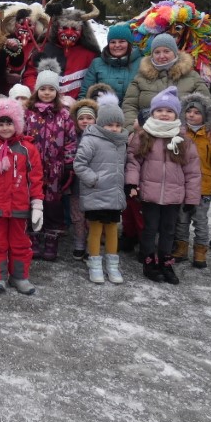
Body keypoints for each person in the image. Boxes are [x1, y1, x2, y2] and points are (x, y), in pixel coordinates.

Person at [125, 86, 201, 284]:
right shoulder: (143, 135)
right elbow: (133, 161)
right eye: (160, 110)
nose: (164, 114)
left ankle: (166, 260)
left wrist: (192, 198)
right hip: (149, 193)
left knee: (169, 229)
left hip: (174, 195)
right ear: (152, 112)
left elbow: (192, 171)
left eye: (169, 111)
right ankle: (149, 260)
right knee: (150, 228)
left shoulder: (183, 139)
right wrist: (131, 183)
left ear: (176, 114)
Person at [0, 96, 44, 294]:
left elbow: (35, 178)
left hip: (20, 208)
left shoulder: (28, 149)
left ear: (17, 124)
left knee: (20, 243)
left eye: (9, 123)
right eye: (1, 124)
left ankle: (19, 277)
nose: (5, 128)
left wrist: (37, 205)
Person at [23, 59, 77, 261]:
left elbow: (71, 140)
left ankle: (51, 238)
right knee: (33, 200)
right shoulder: (29, 114)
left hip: (55, 168)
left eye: (51, 89)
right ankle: (34, 236)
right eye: (43, 89)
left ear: (57, 92)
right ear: (37, 90)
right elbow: (21, 136)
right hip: (32, 167)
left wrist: (68, 163)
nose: (46, 93)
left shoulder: (63, 115)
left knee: (53, 204)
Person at [74, 92, 129, 284]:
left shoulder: (121, 143)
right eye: (110, 125)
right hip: (96, 193)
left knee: (113, 230)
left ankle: (112, 265)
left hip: (114, 195)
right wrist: (94, 180)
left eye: (117, 125)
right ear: (100, 124)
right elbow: (79, 164)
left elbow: (124, 167)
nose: (114, 129)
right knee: (96, 230)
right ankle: (95, 263)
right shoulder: (91, 139)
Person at [123, 33, 211, 135]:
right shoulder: (141, 77)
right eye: (157, 52)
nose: (161, 56)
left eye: (166, 51)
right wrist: (132, 130)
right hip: (146, 135)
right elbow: (129, 105)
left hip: (182, 135)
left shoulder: (191, 76)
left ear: (174, 52)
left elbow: (208, 103)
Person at [171, 93, 211, 269]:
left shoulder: (209, 136)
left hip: (203, 186)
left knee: (200, 220)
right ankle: (181, 247)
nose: (192, 115)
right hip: (183, 185)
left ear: (205, 116)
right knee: (181, 219)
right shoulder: (179, 133)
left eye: (197, 112)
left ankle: (201, 250)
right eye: (189, 111)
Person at [67, 95, 99, 260]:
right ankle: (79, 243)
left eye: (89, 118)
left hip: (95, 186)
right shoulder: (74, 138)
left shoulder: (100, 139)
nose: (85, 121)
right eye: (82, 118)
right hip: (77, 186)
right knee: (78, 217)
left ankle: (91, 244)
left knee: (92, 217)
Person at [82, 22, 142, 104]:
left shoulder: (142, 63)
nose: (117, 45)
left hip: (133, 115)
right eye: (113, 42)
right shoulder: (97, 63)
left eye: (122, 41)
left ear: (129, 43)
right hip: (102, 114)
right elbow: (85, 93)